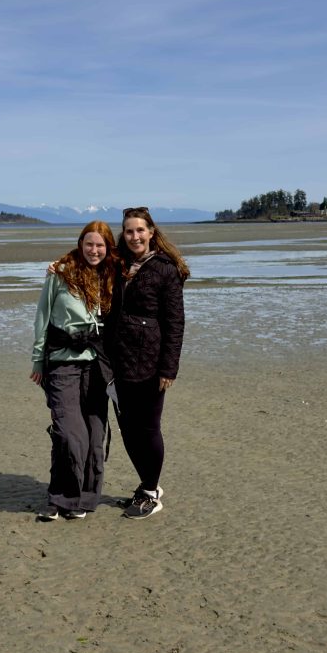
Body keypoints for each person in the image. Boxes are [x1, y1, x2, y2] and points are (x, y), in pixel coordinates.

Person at [30, 221, 118, 521]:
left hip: (97, 365)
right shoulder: (61, 274)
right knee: (69, 433)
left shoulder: (112, 275)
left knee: (94, 435)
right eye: (89, 244)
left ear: (108, 248)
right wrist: (37, 360)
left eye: (100, 245)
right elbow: (42, 316)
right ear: (81, 244)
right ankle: (63, 497)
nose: (94, 250)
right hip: (62, 361)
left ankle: (80, 498)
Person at [109, 207, 189, 519]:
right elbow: (85, 259)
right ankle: (146, 485)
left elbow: (175, 323)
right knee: (127, 428)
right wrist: (57, 268)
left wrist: (169, 368)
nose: (135, 236)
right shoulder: (116, 263)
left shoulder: (165, 269)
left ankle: (151, 491)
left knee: (148, 428)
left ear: (151, 232)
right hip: (118, 360)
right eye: (129, 231)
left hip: (151, 362)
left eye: (140, 230)